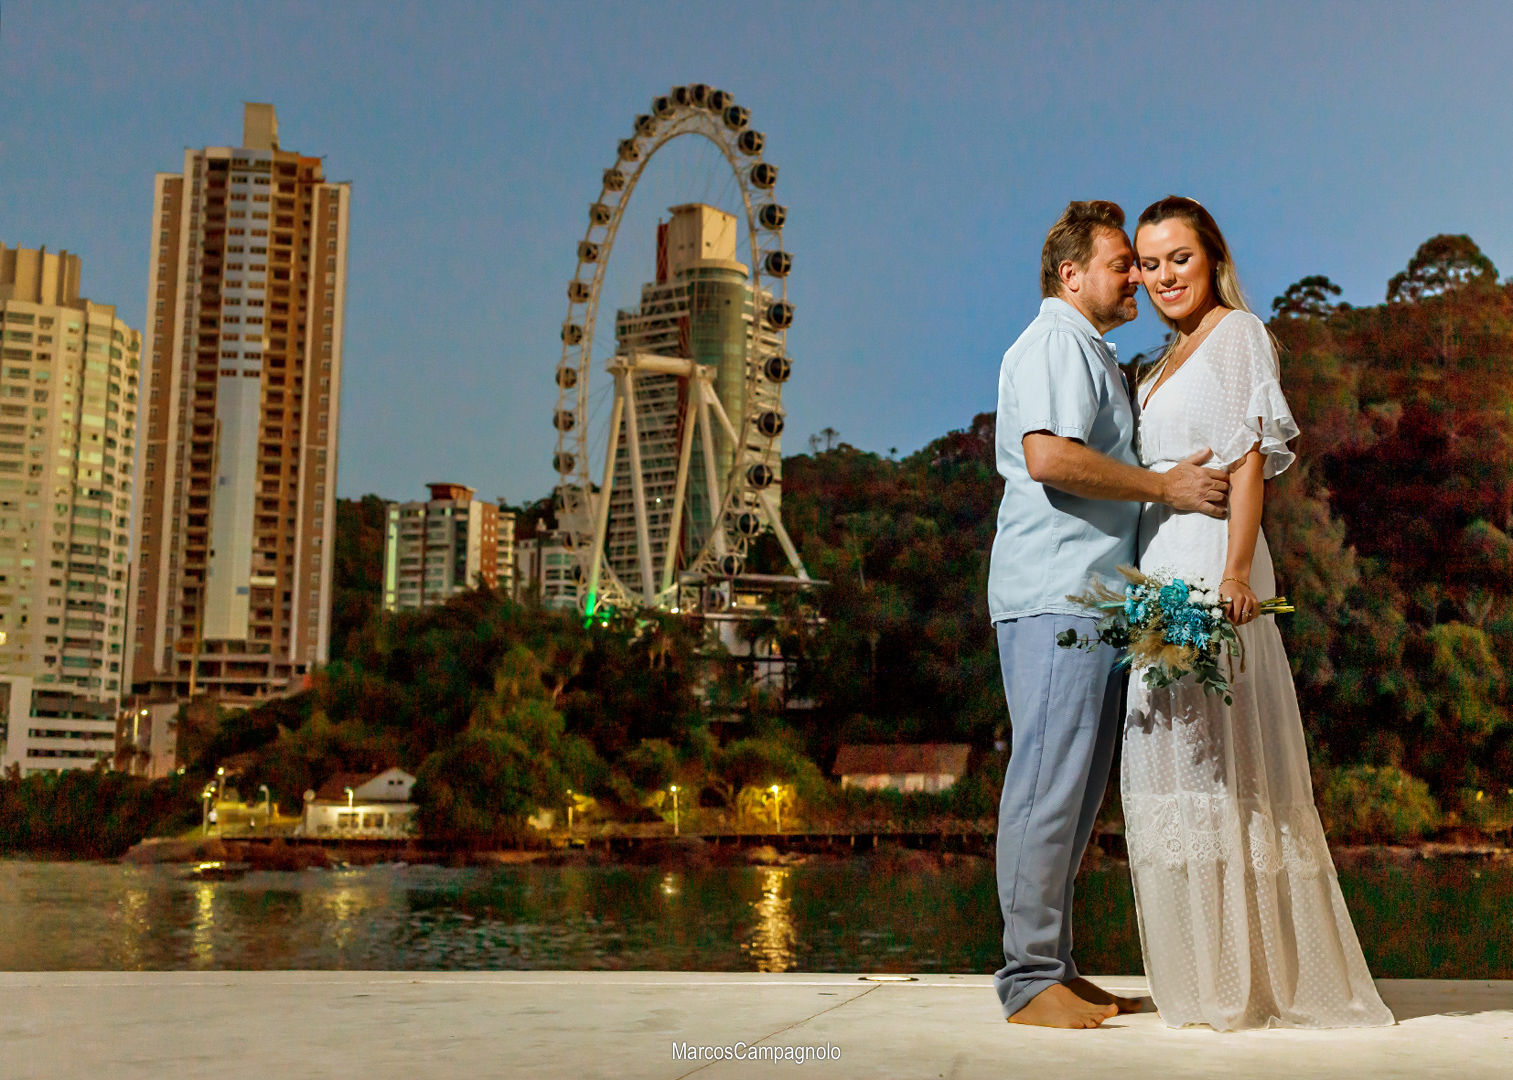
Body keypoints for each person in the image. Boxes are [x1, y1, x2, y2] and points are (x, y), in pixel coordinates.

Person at [1125, 195, 1394, 1030]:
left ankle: (1246, 982)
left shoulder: (1237, 335)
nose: (1163, 274)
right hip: (1157, 572)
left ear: (1211, 261)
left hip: (1210, 562)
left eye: (1179, 258)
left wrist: (1238, 568)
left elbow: (1246, 459)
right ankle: (1201, 975)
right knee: (1166, 763)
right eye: (1148, 261)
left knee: (1222, 767)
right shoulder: (1156, 364)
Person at [989, 200, 1230, 1028]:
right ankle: (1026, 981)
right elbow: (1049, 457)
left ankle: (1053, 966)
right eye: (1121, 262)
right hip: (1056, 597)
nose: (1136, 276)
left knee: (1075, 792)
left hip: (1090, 600)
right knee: (1046, 786)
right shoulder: (1056, 342)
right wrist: (1165, 487)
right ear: (1070, 275)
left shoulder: (1089, 352)